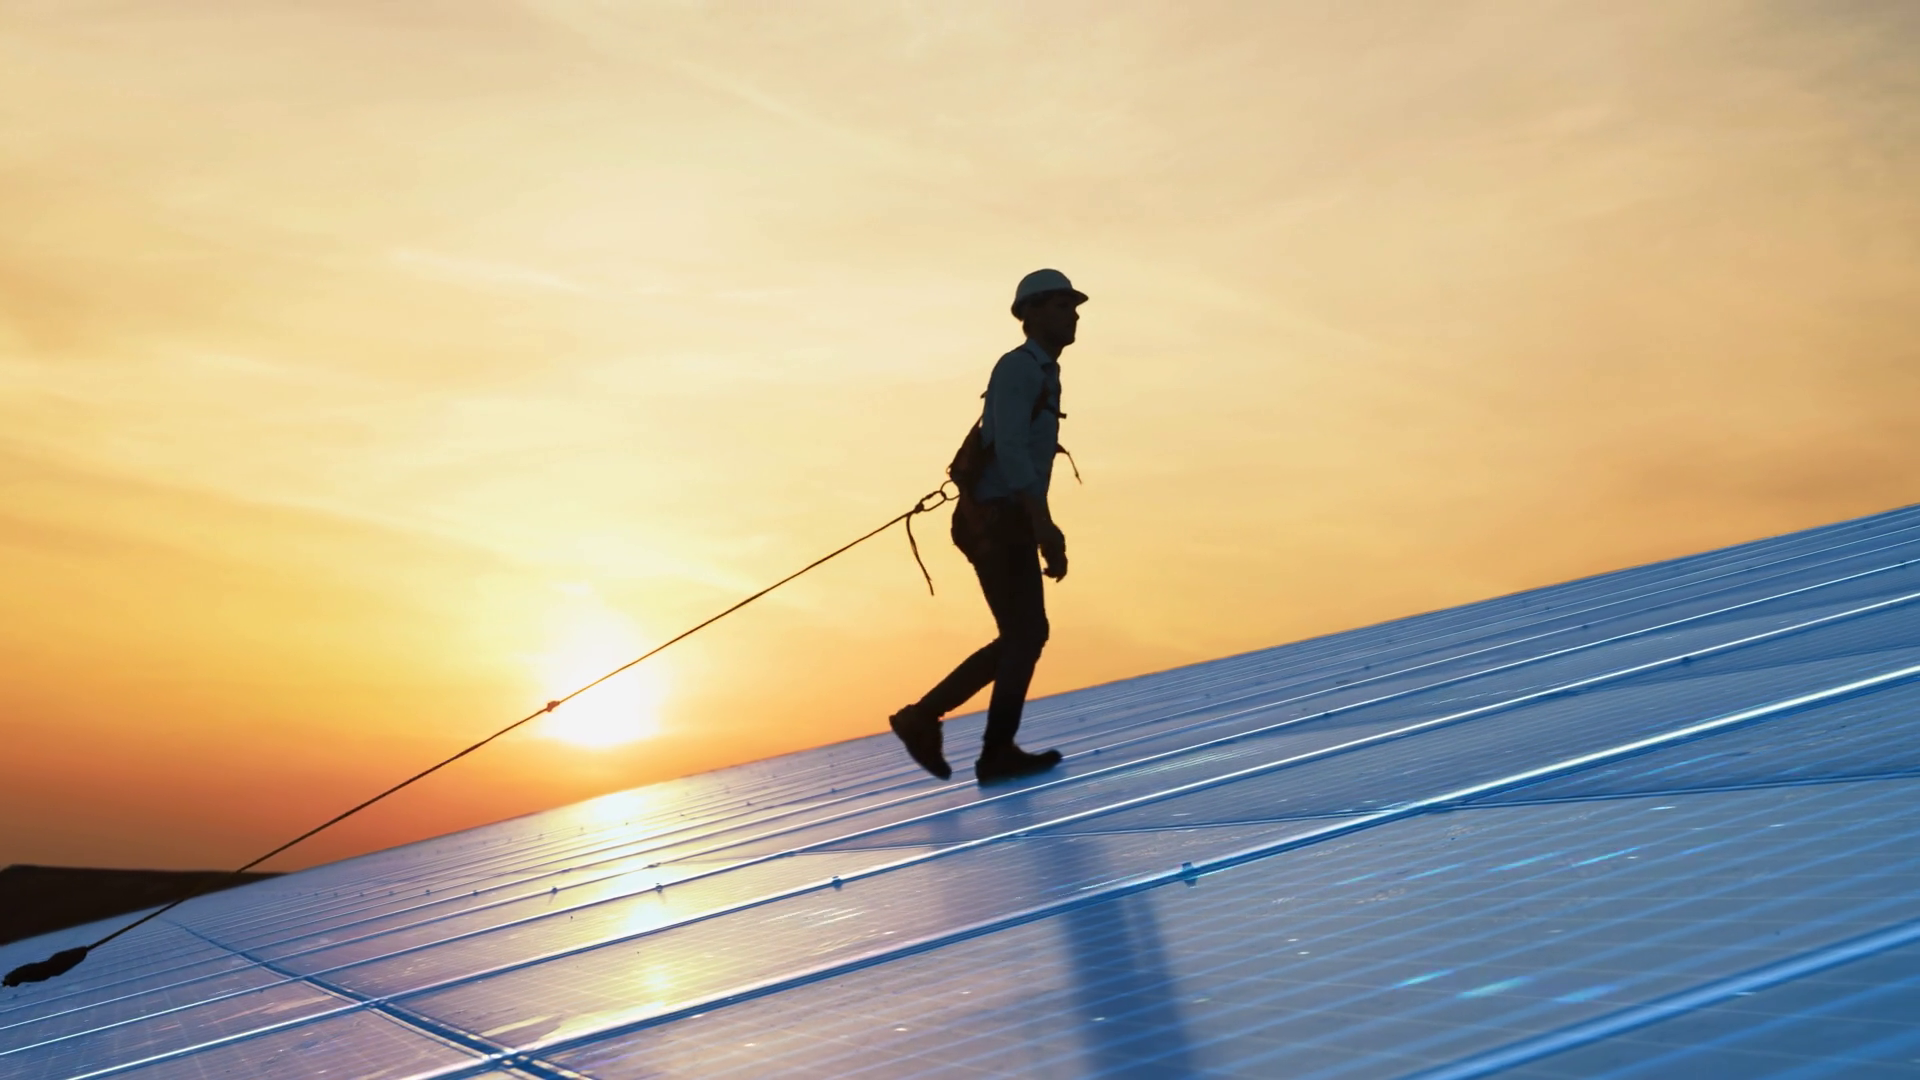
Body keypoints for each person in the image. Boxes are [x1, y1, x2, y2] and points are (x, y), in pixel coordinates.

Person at [891, 268, 1087, 786]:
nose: (1074, 316)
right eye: (1063, 306)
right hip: (997, 519)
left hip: (1007, 515)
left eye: (1074, 307)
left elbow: (1022, 456)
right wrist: (1043, 524)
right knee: (1025, 633)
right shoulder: (1019, 369)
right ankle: (978, 744)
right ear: (1032, 313)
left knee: (1025, 633)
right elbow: (1013, 451)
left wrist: (1041, 523)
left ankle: (935, 723)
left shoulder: (1043, 372)